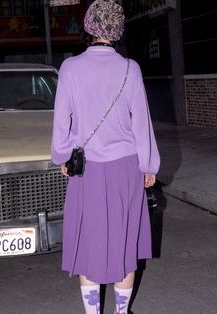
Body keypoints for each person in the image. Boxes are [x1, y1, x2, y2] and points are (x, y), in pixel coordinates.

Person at [51, 1, 160, 313]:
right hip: (126, 169)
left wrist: (62, 155)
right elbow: (142, 123)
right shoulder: (130, 68)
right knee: (125, 245)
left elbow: (62, 122)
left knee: (90, 245)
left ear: (88, 27)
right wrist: (148, 165)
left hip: (88, 172)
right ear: (118, 30)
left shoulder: (70, 68)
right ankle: (122, 312)